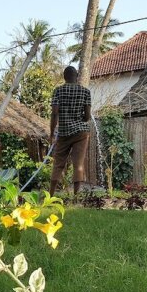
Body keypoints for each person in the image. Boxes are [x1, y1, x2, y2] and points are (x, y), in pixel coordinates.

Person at [49, 66, 92, 196]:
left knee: (58, 164)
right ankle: (76, 197)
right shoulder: (85, 92)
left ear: (64, 77)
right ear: (77, 76)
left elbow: (54, 113)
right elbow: (87, 117)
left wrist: (51, 133)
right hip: (81, 133)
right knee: (78, 164)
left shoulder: (58, 91)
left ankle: (50, 195)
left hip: (63, 133)